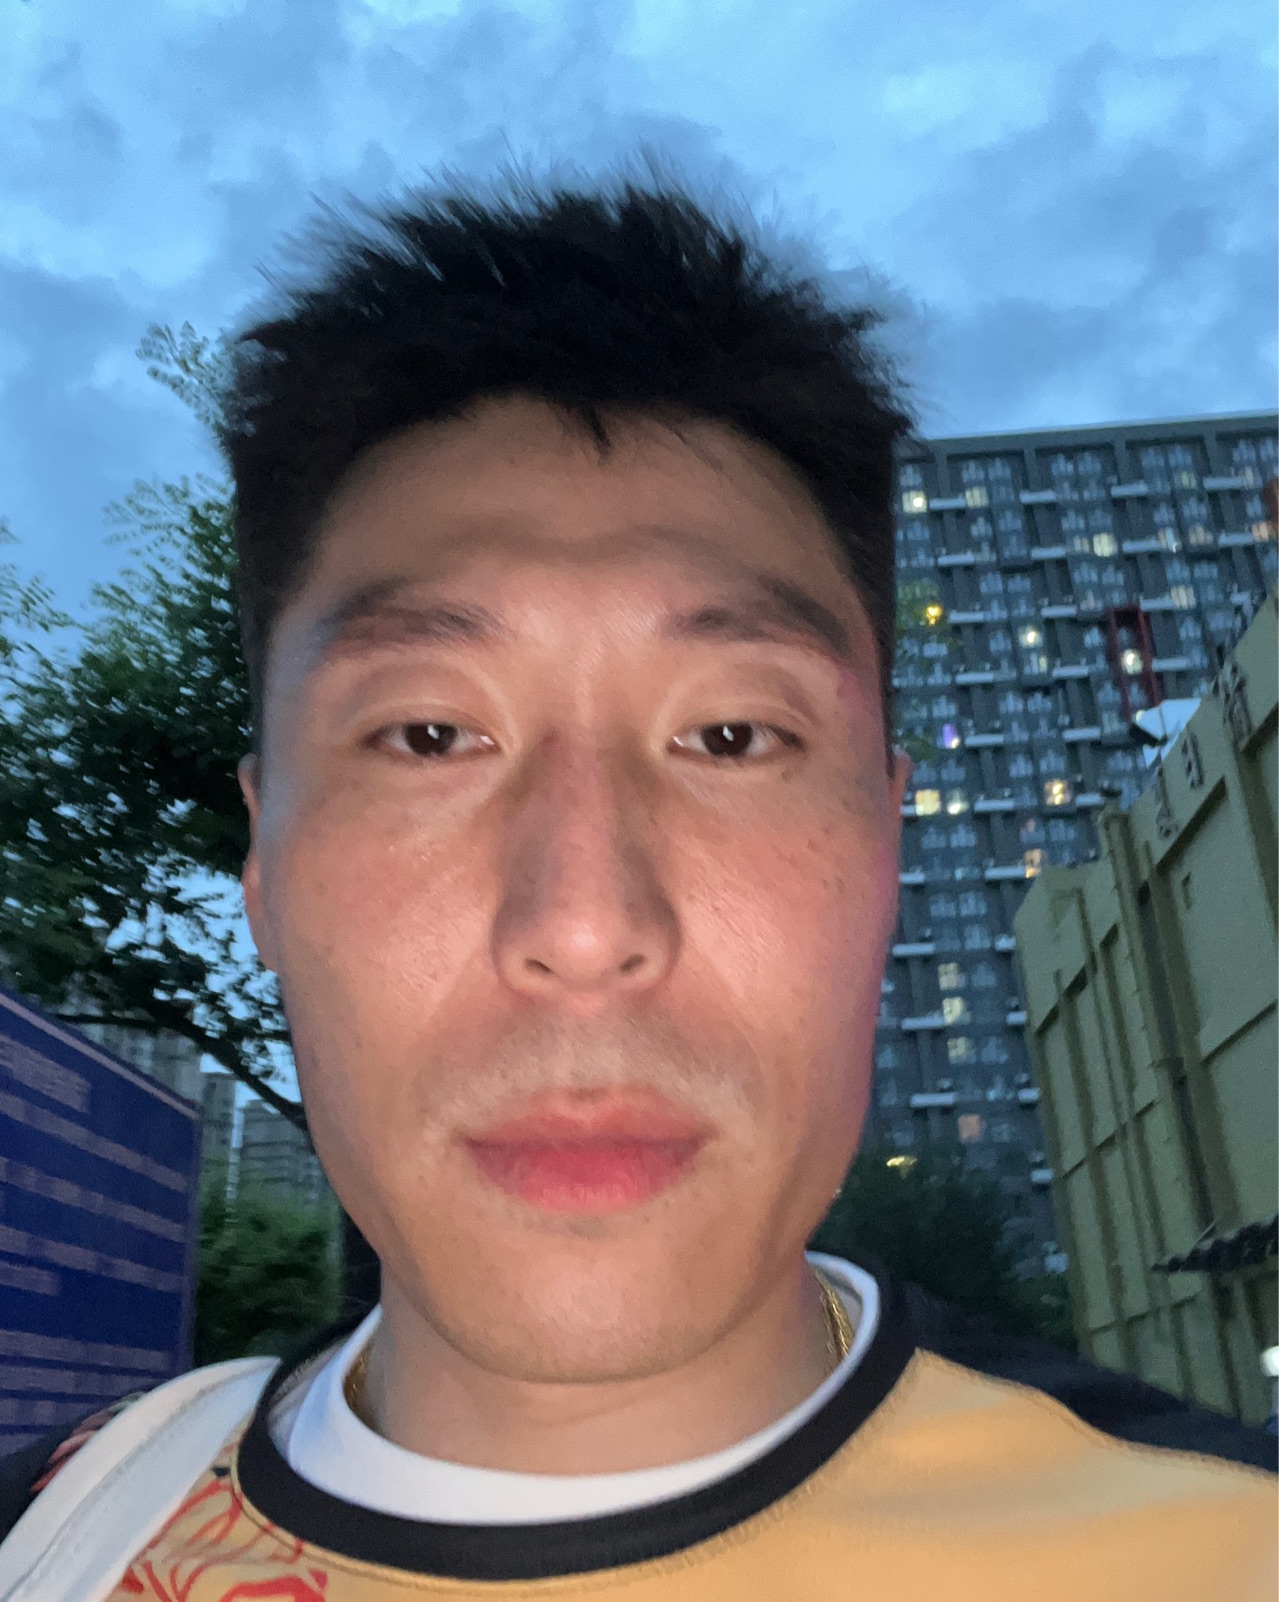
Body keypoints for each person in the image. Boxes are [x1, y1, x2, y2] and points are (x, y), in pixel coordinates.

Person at [0, 180, 1273, 1600]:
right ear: (264, 865)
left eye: (730, 736)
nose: (586, 925)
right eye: (429, 735)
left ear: (887, 849)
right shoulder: (58, 1532)